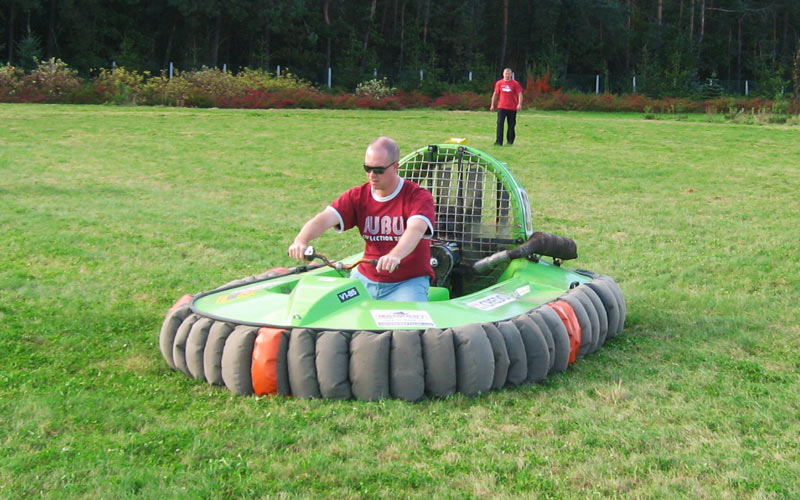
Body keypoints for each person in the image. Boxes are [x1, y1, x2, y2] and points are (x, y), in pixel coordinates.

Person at [288, 137, 435, 302]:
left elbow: (416, 229)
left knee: (410, 325)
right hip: (365, 278)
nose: (372, 175)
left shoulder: (418, 196)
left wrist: (395, 255)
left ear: (395, 167)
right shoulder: (357, 196)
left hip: (407, 282)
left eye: (379, 170)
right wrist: (301, 240)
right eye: (367, 168)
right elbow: (324, 218)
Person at [490, 68, 523, 146]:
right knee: (500, 124)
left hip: (512, 107)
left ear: (511, 74)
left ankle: (510, 141)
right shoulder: (499, 83)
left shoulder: (515, 83)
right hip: (501, 107)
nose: (507, 75)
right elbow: (495, 94)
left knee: (511, 125)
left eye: (509, 74)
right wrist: (492, 104)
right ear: (503, 74)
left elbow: (520, 94)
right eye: (506, 74)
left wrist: (519, 104)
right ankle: (499, 141)